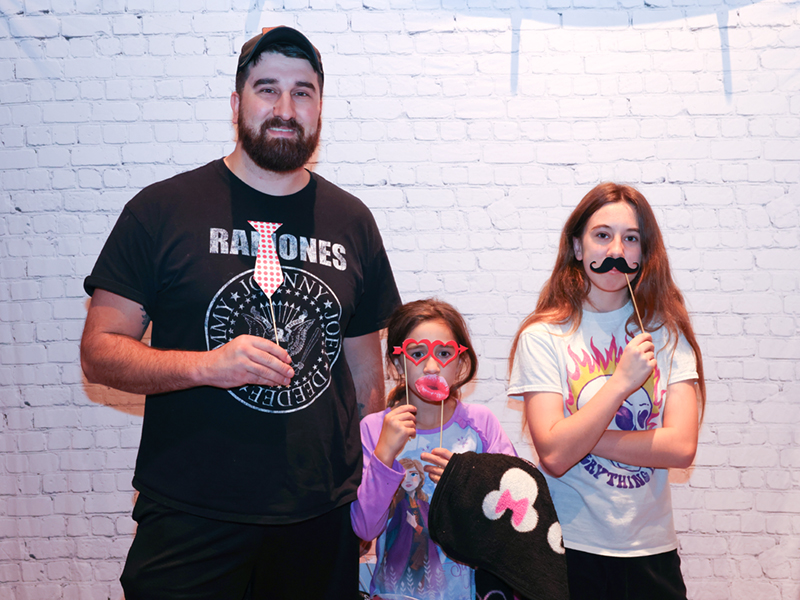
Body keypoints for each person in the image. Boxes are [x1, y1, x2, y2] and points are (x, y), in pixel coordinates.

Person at [79, 26, 400, 600]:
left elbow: (366, 376)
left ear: (320, 108)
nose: (284, 108)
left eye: (303, 92)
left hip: (318, 518)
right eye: (267, 88)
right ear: (236, 103)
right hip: (190, 512)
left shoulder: (353, 221)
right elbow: (100, 352)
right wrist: (207, 366)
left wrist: (365, 491)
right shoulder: (162, 209)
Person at [507, 182, 706, 600]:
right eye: (602, 235)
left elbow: (681, 447)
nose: (616, 249)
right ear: (578, 247)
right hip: (569, 548)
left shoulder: (667, 335)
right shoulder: (543, 336)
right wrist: (620, 383)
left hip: (653, 553)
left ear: (642, 254)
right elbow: (556, 457)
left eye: (630, 238)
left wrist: (580, 436)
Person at [351, 299, 516, 600]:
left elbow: (514, 513)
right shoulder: (375, 429)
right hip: (394, 593)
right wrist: (385, 454)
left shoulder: (480, 425)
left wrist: (467, 480)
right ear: (397, 363)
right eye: (417, 353)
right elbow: (364, 528)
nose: (431, 366)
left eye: (444, 353)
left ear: (460, 362)